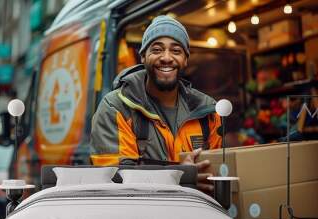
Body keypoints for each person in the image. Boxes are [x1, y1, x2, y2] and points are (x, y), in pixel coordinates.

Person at [90, 15, 222, 192]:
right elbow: (114, 179)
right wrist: (178, 177)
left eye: (176, 51)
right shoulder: (116, 107)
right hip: (140, 217)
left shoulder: (208, 111)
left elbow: (219, 173)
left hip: (197, 214)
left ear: (185, 59)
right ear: (143, 56)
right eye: (157, 50)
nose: (166, 58)